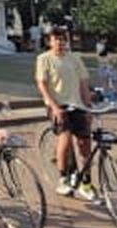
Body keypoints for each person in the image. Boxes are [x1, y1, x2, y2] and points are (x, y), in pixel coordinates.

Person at [35, 26, 96, 200]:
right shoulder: (44, 59)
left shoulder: (75, 59)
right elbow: (42, 84)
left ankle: (86, 182)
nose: (60, 42)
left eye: (63, 39)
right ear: (50, 41)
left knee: (85, 145)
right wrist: (54, 107)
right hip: (58, 105)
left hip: (76, 104)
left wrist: (88, 107)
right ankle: (63, 179)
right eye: (56, 39)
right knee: (66, 138)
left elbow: (83, 83)